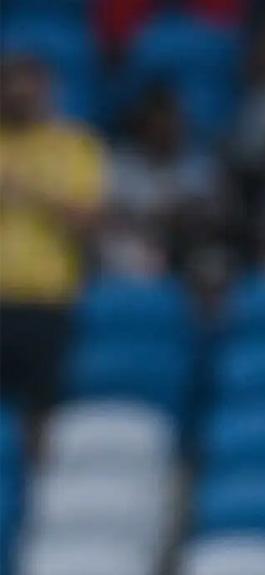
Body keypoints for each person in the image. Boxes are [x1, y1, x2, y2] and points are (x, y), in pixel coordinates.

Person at [0, 57, 107, 418]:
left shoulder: (74, 145)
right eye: (10, 88)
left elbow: (89, 221)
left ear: (46, 91)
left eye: (27, 89)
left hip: (45, 302)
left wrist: (29, 192)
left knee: (40, 411)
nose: (18, 96)